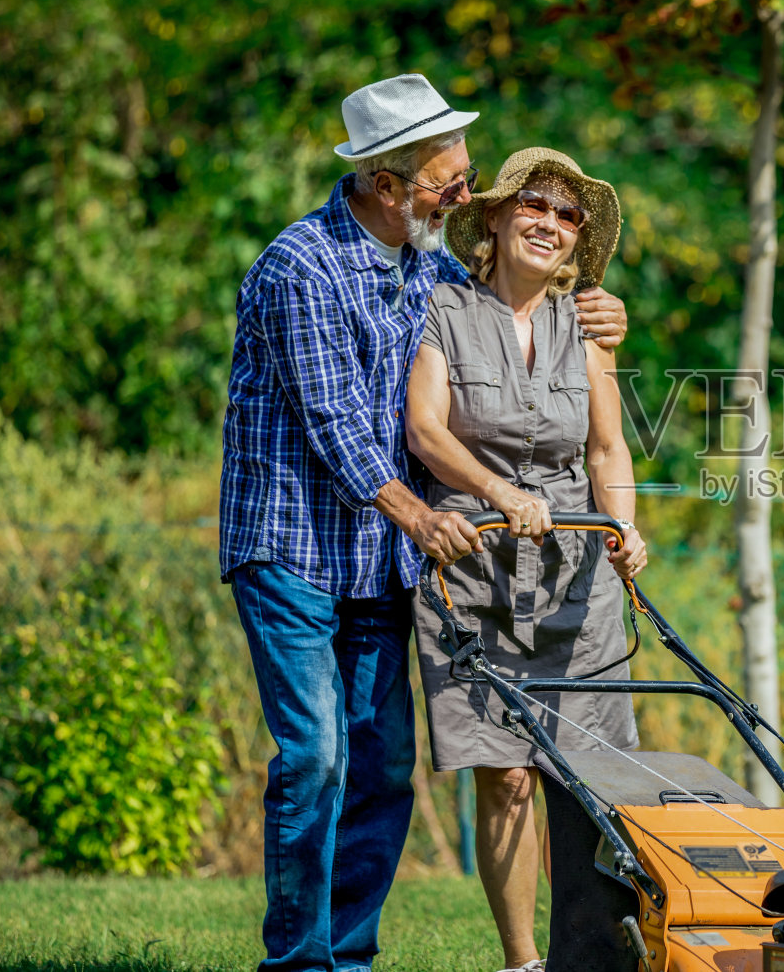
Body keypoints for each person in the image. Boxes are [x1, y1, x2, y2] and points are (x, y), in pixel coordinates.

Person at [220, 77, 629, 972]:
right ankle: (299, 963)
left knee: (380, 766)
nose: (462, 195)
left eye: (466, 175)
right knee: (318, 754)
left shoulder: (430, 269)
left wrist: (600, 308)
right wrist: (418, 514)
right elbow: (333, 426)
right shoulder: (301, 266)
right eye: (448, 183)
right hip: (290, 544)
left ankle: (350, 956)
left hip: (376, 560)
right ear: (384, 183)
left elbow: (512, 302)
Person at [405, 147, 649, 972]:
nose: (551, 222)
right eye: (535, 206)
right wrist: (495, 491)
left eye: (568, 213)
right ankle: (521, 960)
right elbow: (426, 430)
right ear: (499, 217)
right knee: (505, 777)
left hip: (578, 579)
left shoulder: (587, 323)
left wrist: (624, 528)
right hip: (474, 572)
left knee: (587, 782)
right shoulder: (445, 309)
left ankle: (590, 957)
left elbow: (609, 447)